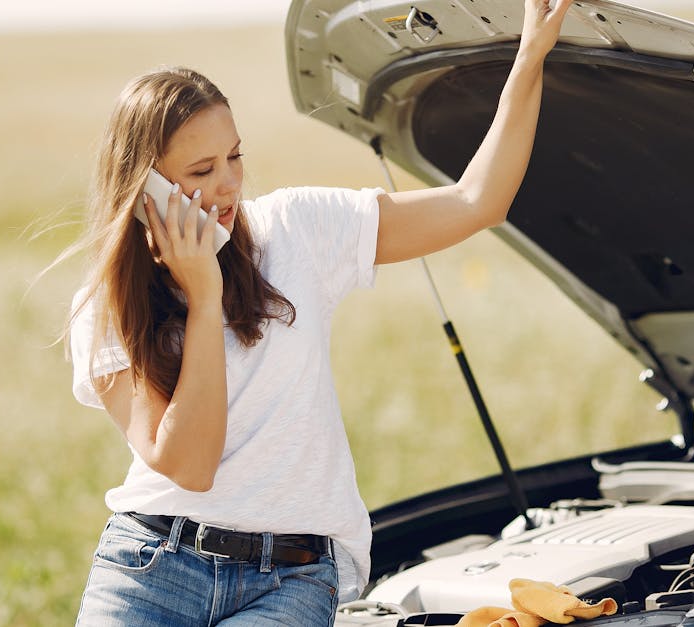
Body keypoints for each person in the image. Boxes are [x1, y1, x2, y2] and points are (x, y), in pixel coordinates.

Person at [67, 1, 571, 624]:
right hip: (151, 566)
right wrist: (203, 298)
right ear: (147, 190)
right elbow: (189, 466)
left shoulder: (296, 230)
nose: (229, 184)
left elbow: (476, 201)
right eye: (201, 170)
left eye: (235, 156)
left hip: (292, 578)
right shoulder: (104, 304)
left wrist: (529, 59)